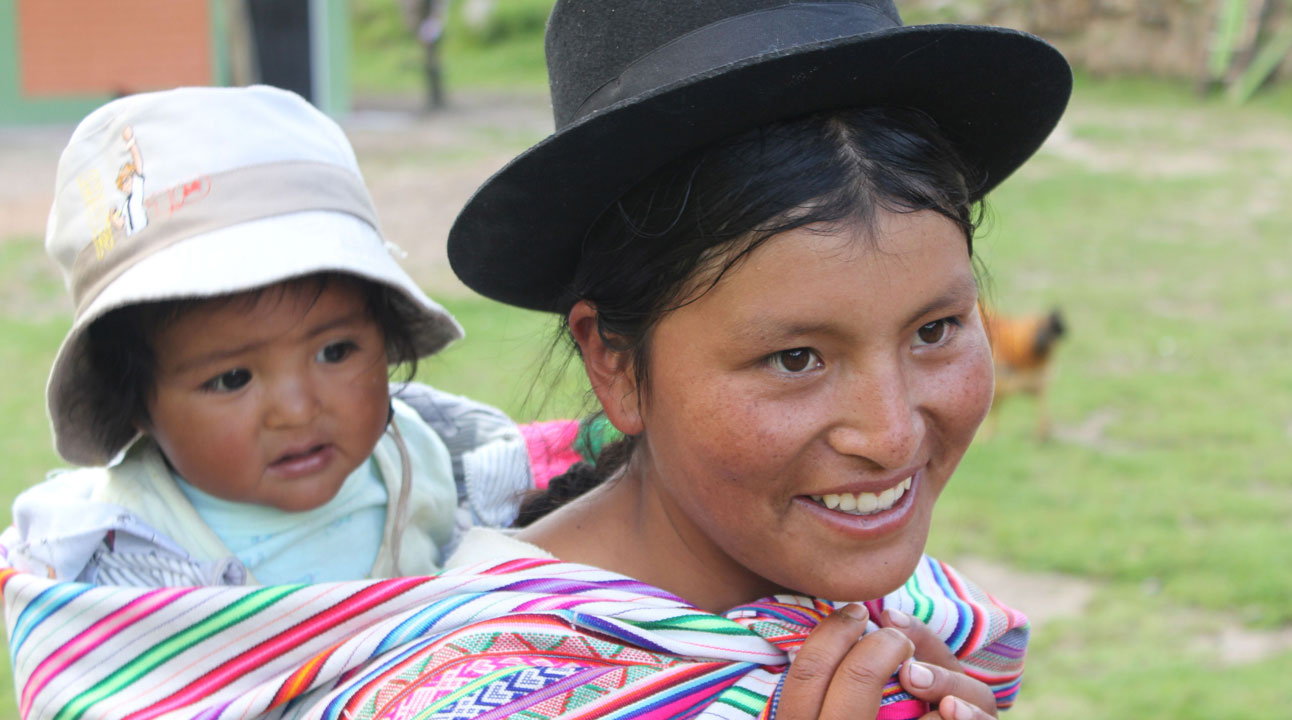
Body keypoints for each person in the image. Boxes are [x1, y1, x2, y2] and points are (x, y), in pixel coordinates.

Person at [444, 0, 1071, 717]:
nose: (892, 435)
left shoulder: (935, 630)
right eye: (796, 358)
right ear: (614, 361)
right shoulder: (478, 694)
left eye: (934, 330)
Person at [1, 85, 534, 587]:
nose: (297, 411)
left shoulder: (427, 462)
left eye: (335, 351)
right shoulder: (115, 551)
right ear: (136, 402)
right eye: (232, 379)